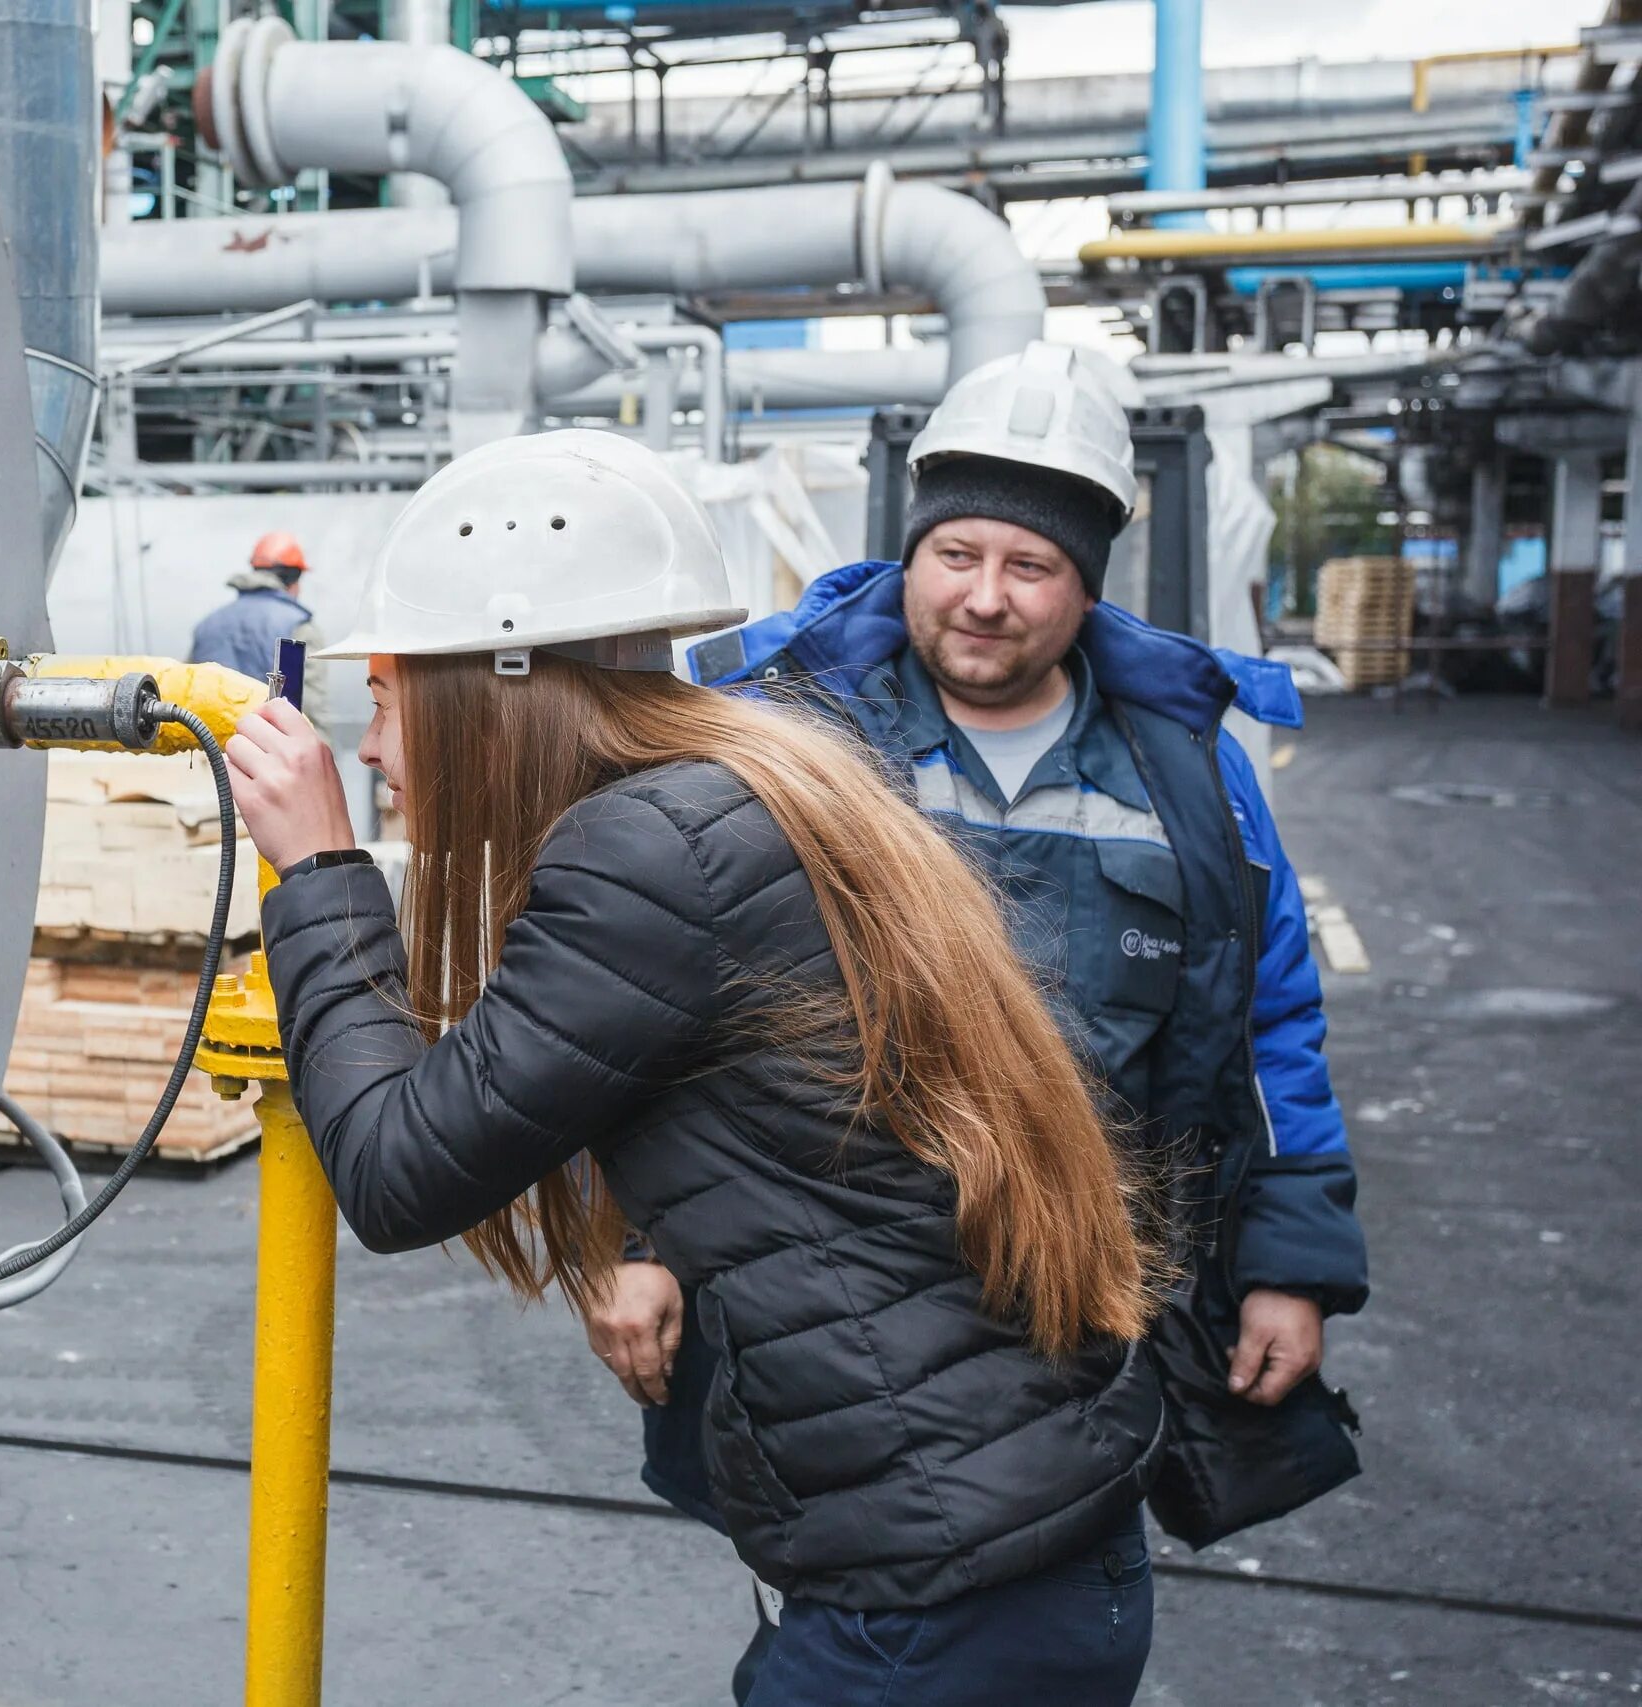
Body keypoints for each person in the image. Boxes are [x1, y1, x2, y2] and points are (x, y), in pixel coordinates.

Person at [223, 428, 1170, 1705]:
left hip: (937, 1589)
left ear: (496, 682)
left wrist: (322, 874)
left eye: (387, 697)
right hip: (1005, 1533)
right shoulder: (740, 784)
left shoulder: (645, 856)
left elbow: (400, 1171)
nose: (378, 749)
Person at [593, 343, 1370, 1694]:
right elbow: (677, 1015)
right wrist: (640, 1238)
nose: (987, 598)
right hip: (819, 1312)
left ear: (1088, 583)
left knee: (1050, 1621)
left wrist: (1288, 1266)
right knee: (839, 1612)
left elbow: (1266, 1029)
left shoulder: (1189, 780)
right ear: (911, 549)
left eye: (1033, 566)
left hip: (1079, 1305)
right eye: (958, 553)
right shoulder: (791, 741)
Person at [187, 530, 317, 678]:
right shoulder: (299, 628)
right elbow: (309, 699)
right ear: (293, 577)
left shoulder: (208, 624)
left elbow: (187, 686)